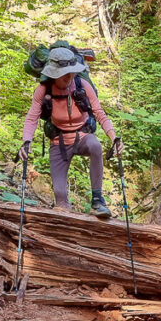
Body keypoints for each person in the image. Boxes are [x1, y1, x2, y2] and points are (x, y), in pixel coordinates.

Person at [18, 47, 122, 219]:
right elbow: (31, 118)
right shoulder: (44, 90)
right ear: (53, 74)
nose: (70, 77)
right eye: (65, 73)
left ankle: (97, 200)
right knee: (59, 193)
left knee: (95, 145)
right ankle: (67, 221)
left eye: (72, 72)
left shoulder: (83, 85)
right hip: (59, 142)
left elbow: (99, 113)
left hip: (82, 136)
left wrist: (114, 138)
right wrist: (26, 142)